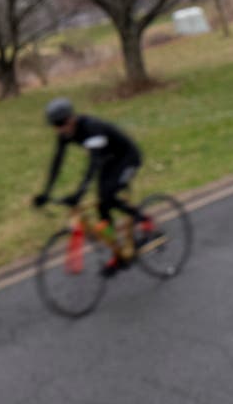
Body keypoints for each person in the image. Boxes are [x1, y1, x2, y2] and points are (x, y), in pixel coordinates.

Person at [32, 97, 155, 276]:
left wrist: (79, 193)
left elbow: (93, 165)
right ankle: (118, 253)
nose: (59, 129)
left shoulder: (91, 128)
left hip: (127, 157)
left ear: (71, 118)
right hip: (109, 161)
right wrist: (46, 192)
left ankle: (144, 219)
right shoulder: (64, 135)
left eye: (61, 123)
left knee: (107, 196)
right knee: (102, 208)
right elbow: (57, 163)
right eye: (55, 125)